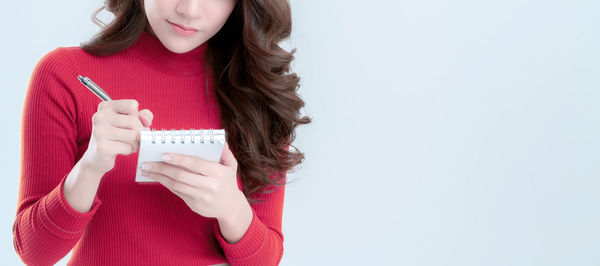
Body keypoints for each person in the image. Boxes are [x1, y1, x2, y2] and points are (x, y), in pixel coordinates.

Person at [12, 0, 311, 265]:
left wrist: (231, 208)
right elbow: (35, 253)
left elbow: (266, 260)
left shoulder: (259, 96)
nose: (189, 10)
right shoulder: (66, 74)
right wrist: (91, 166)